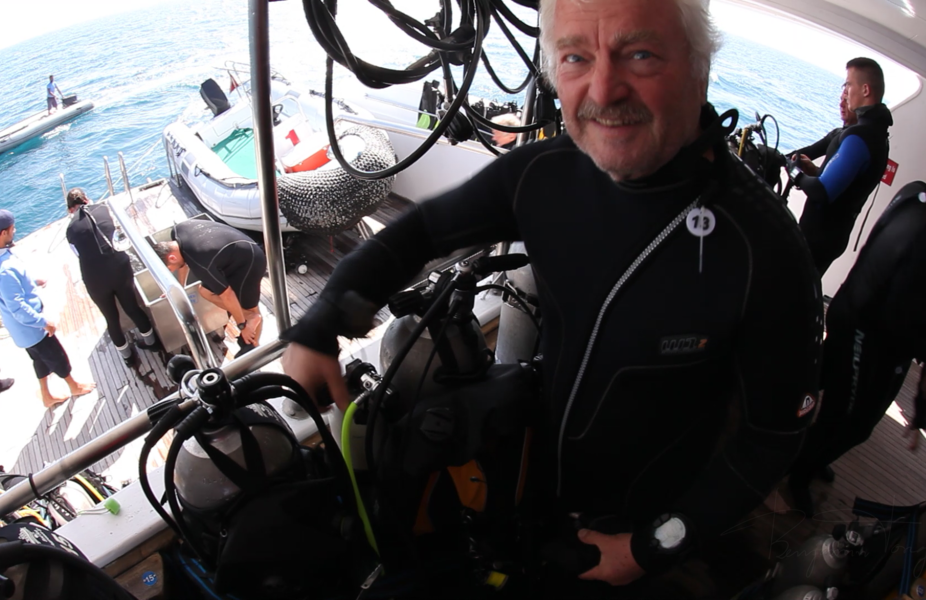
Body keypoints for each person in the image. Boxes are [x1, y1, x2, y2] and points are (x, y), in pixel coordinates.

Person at [280, 0, 822, 595]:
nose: (604, 90)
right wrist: (321, 322)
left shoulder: (762, 247)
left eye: (640, 53)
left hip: (636, 528)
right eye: (576, 58)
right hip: (535, 480)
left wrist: (649, 548)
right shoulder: (546, 174)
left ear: (700, 67)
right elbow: (421, 233)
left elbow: (773, 437)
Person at [788, 174, 926, 514]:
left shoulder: (918, 195)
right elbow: (896, 318)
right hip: (865, 331)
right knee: (850, 422)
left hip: (853, 313)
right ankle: (796, 474)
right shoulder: (924, 243)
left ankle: (793, 448)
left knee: (820, 383)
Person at [0, 209, 94, 408]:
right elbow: (18, 307)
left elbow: (11, 289)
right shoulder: (5, 271)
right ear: (4, 232)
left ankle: (46, 396)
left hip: (21, 331)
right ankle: (74, 386)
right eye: (12, 229)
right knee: (57, 357)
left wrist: (31, 282)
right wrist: (43, 323)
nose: (14, 231)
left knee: (39, 360)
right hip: (31, 328)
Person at [790, 57, 893, 276]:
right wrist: (814, 172)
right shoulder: (877, 135)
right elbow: (846, 187)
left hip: (818, 238)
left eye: (848, 84)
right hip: (831, 236)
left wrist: (794, 173)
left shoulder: (861, 136)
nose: (845, 92)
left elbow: (822, 192)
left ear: (865, 90)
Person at [64, 188, 159, 363]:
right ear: (86, 199)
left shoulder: (70, 230)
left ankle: (128, 358)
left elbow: (78, 254)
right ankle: (152, 343)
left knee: (111, 319)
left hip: (96, 279)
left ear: (70, 209)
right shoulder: (102, 209)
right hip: (119, 267)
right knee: (133, 308)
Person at [150, 220, 266, 358]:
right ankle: (249, 317)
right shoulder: (177, 231)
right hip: (231, 254)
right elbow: (183, 263)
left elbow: (227, 295)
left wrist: (242, 325)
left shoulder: (201, 264)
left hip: (250, 261)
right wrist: (180, 288)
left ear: (172, 257)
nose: (172, 270)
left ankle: (252, 348)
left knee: (251, 308)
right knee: (205, 291)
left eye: (170, 269)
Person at [791, 85, 860, 173]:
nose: (841, 104)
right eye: (841, 99)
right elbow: (810, 151)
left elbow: (835, 179)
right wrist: (781, 158)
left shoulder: (854, 141)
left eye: (846, 101)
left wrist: (814, 172)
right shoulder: (837, 133)